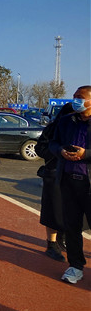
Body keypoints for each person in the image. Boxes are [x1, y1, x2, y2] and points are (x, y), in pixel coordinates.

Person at [49, 86, 91, 285]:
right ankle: (75, 266)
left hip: (89, 184)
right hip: (68, 181)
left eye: (80, 98)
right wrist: (60, 151)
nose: (75, 101)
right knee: (72, 227)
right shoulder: (67, 120)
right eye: (74, 97)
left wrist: (86, 154)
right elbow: (52, 143)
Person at [35, 102, 73, 262]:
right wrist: (58, 152)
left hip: (75, 175)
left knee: (70, 211)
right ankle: (51, 244)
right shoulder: (53, 128)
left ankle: (61, 240)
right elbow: (40, 148)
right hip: (54, 173)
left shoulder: (82, 128)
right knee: (53, 210)